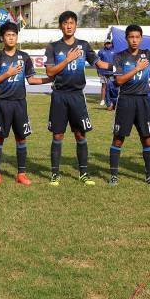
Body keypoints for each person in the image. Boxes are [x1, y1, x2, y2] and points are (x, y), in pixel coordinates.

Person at [45, 11, 112, 186]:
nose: (68, 26)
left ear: (76, 25)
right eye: (65, 23)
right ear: (61, 26)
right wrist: (67, 59)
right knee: (58, 135)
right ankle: (55, 174)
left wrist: (118, 66)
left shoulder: (83, 45)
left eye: (71, 23)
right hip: (59, 95)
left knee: (80, 135)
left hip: (77, 96)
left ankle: (83, 173)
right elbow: (50, 72)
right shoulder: (53, 47)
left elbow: (100, 64)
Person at [0, 22, 52, 186]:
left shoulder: (24, 57)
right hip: (3, 103)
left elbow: (31, 79)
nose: (11, 38)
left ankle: (21, 174)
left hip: (20, 104)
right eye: (8, 35)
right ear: (2, 38)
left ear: (16, 37)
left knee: (21, 138)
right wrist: (7, 74)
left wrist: (51, 78)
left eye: (13, 35)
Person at [107, 25, 150, 186]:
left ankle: (149, 176)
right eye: (131, 37)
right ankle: (113, 175)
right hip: (125, 100)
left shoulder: (147, 54)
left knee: (147, 138)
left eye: (137, 37)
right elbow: (118, 81)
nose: (134, 40)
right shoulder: (119, 57)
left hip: (143, 101)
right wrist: (137, 68)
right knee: (118, 139)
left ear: (141, 38)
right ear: (126, 39)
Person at [97, 39, 115, 107]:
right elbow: (97, 62)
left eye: (109, 43)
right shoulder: (101, 52)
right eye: (107, 43)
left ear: (111, 44)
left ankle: (111, 100)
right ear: (104, 44)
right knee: (104, 86)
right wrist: (98, 71)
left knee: (112, 86)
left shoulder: (114, 51)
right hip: (103, 72)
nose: (108, 44)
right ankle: (102, 100)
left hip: (112, 72)